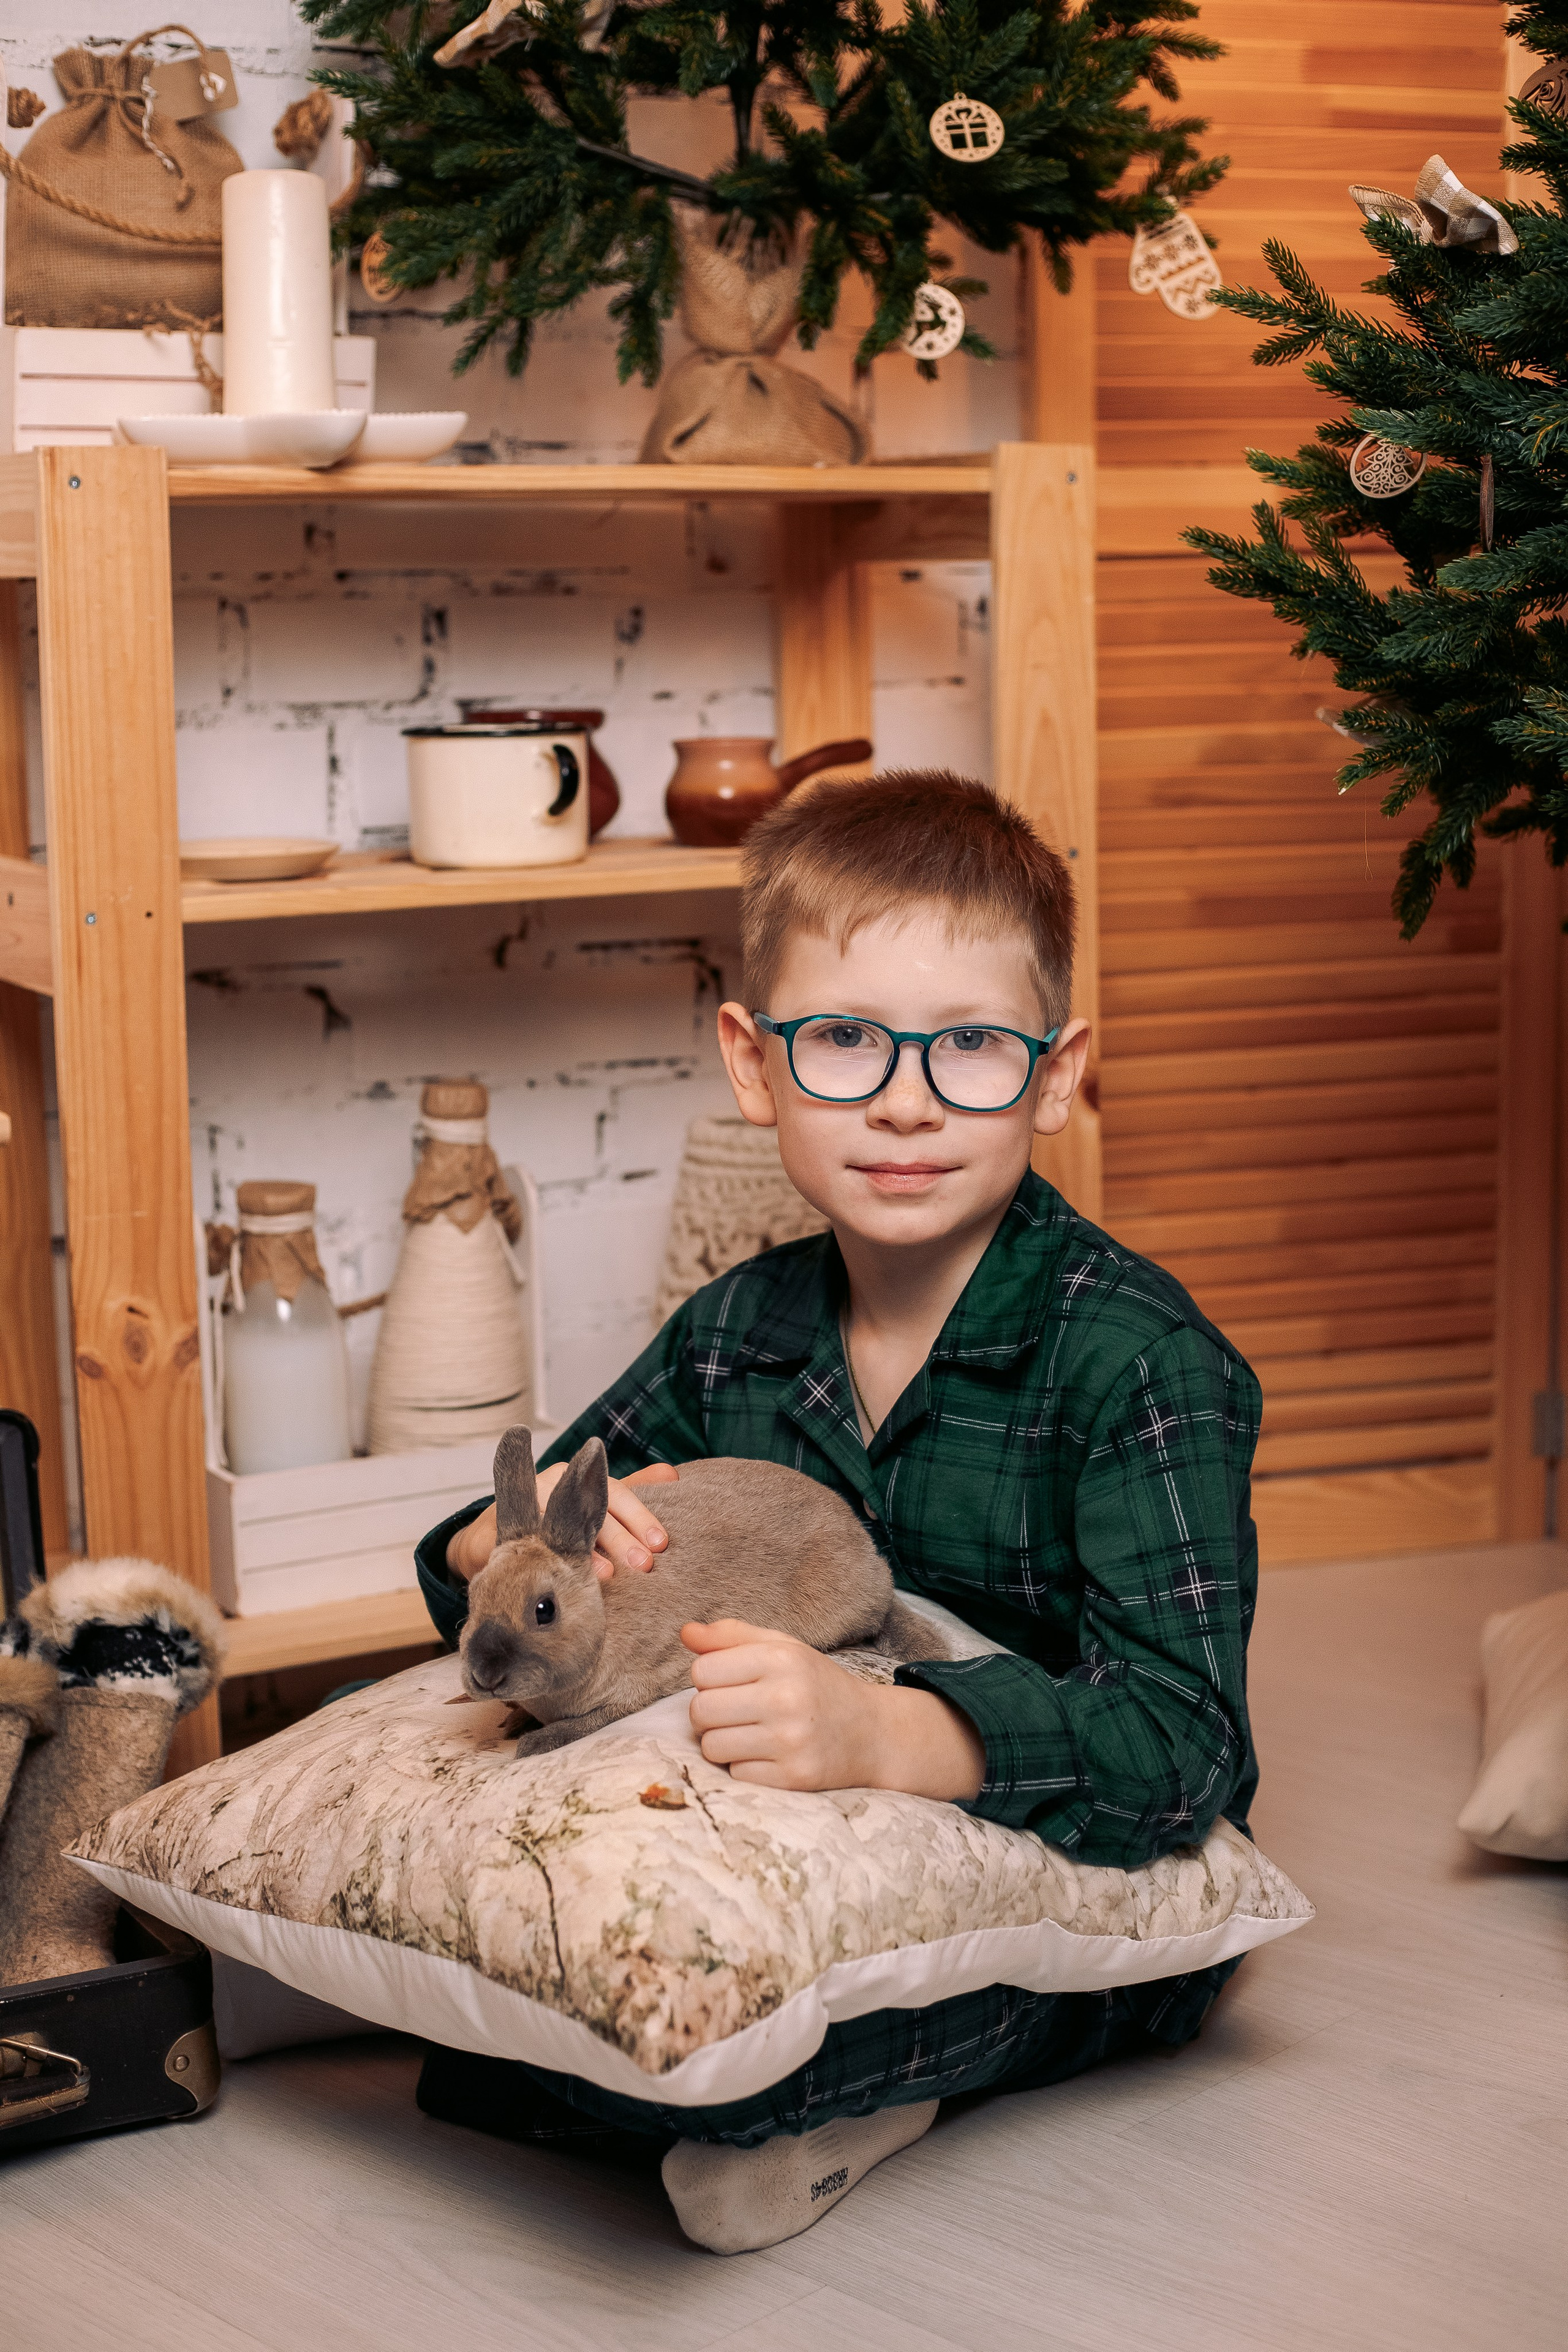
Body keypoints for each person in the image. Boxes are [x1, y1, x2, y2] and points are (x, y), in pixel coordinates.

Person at [413, 771, 1261, 2254]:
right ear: (754, 1065)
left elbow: (1184, 1745)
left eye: (972, 1045)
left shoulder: (1140, 1362)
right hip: (782, 1869)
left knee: (752, 2068)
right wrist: (497, 1545)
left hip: (1058, 1866)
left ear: (1054, 1078)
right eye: (846, 1040)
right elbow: (511, 1557)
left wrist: (892, 1736)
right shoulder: (735, 1332)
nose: (905, 1099)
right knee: (474, 2052)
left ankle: (825, 2111)